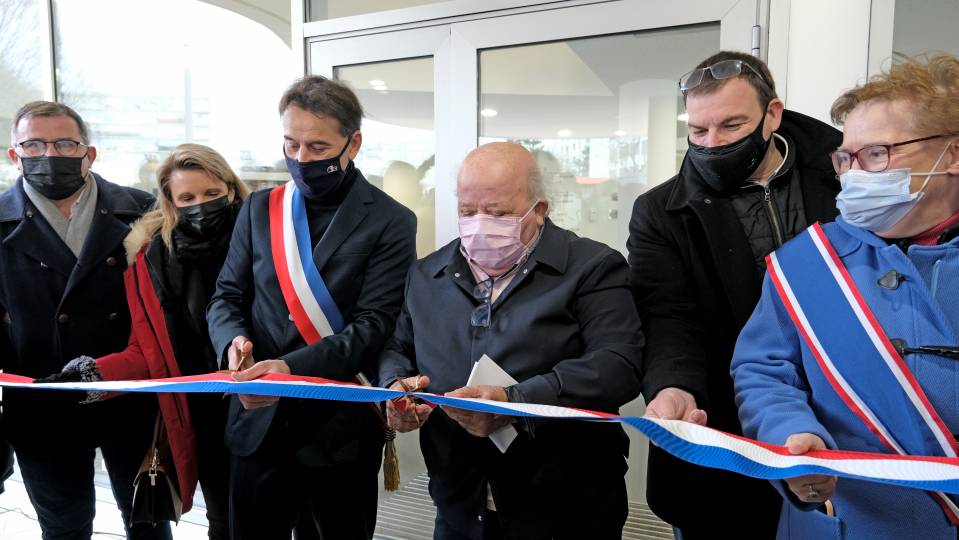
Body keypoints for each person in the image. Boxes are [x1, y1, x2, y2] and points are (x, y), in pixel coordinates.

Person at [732, 54, 959, 539]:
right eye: (846, 157)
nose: (853, 173)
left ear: (952, 156)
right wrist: (790, 431)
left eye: (876, 153)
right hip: (847, 521)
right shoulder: (805, 262)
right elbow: (763, 369)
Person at [626, 51, 843, 538]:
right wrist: (673, 387)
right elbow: (666, 316)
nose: (712, 143)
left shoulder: (848, 176)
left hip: (846, 424)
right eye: (698, 131)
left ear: (773, 115)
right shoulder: (661, 211)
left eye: (731, 125)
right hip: (724, 432)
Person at [379, 142, 643, 540]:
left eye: (498, 213)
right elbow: (399, 347)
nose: (480, 223)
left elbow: (618, 364)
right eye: (468, 212)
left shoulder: (591, 268)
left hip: (564, 500)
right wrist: (395, 388)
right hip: (459, 498)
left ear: (540, 209)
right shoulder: (427, 275)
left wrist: (516, 402)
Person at [206, 75, 417, 539]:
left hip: (337, 430)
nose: (300, 159)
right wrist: (233, 343)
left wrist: (288, 368)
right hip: (255, 420)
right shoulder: (260, 208)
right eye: (291, 143)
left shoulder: (391, 221)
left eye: (318, 148)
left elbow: (374, 325)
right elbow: (226, 297)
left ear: (353, 143)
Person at [39, 143, 250, 538]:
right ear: (169, 202)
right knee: (222, 522)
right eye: (186, 197)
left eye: (211, 195)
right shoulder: (151, 261)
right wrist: (92, 375)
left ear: (232, 190)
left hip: (266, 411)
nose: (200, 206)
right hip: (200, 417)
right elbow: (145, 352)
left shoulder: (264, 247)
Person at [0, 101, 164, 539]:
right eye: (33, 144)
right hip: (40, 402)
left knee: (149, 523)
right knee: (64, 528)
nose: (49, 154)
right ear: (14, 154)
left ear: (89, 153)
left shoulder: (143, 210)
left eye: (64, 143)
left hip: (131, 397)